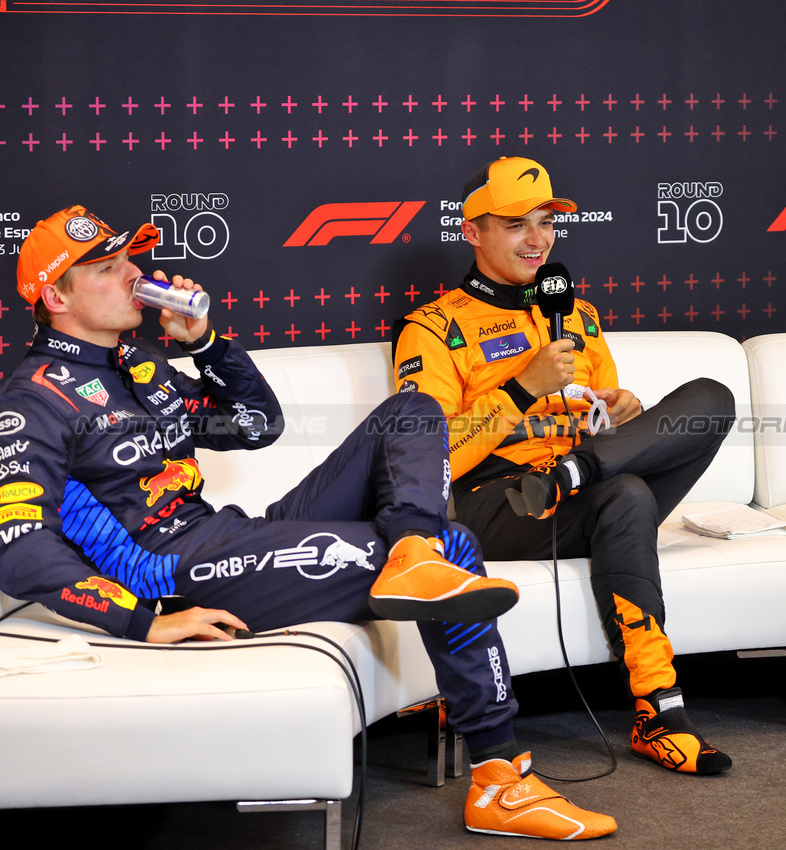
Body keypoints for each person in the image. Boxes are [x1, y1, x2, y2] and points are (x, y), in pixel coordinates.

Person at [1, 205, 616, 840]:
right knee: (455, 546)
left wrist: (205, 343)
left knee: (411, 409)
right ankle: (500, 783)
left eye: (128, 259)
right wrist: (145, 621)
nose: (132, 275)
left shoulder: (141, 362)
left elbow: (256, 424)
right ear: (55, 295)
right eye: (105, 269)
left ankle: (412, 548)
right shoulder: (34, 400)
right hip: (176, 571)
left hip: (231, 536)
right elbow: (19, 551)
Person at [393, 156, 736, 775]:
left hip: (577, 483)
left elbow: (602, 415)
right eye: (517, 224)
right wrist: (521, 388)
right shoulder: (432, 328)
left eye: (547, 222)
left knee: (712, 398)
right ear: (472, 232)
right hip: (493, 502)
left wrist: (623, 412)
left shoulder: (577, 314)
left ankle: (573, 474)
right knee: (626, 493)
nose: (539, 239)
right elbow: (430, 456)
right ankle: (660, 708)